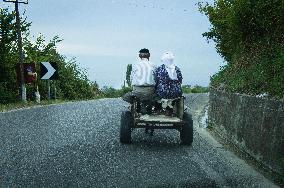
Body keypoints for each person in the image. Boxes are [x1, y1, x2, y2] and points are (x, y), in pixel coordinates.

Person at [123, 48, 156, 113]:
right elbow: (157, 79)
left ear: (139, 56)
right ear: (149, 55)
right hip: (150, 91)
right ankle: (148, 106)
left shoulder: (135, 65)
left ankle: (139, 105)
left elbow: (132, 80)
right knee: (156, 96)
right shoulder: (154, 65)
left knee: (126, 97)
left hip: (137, 91)